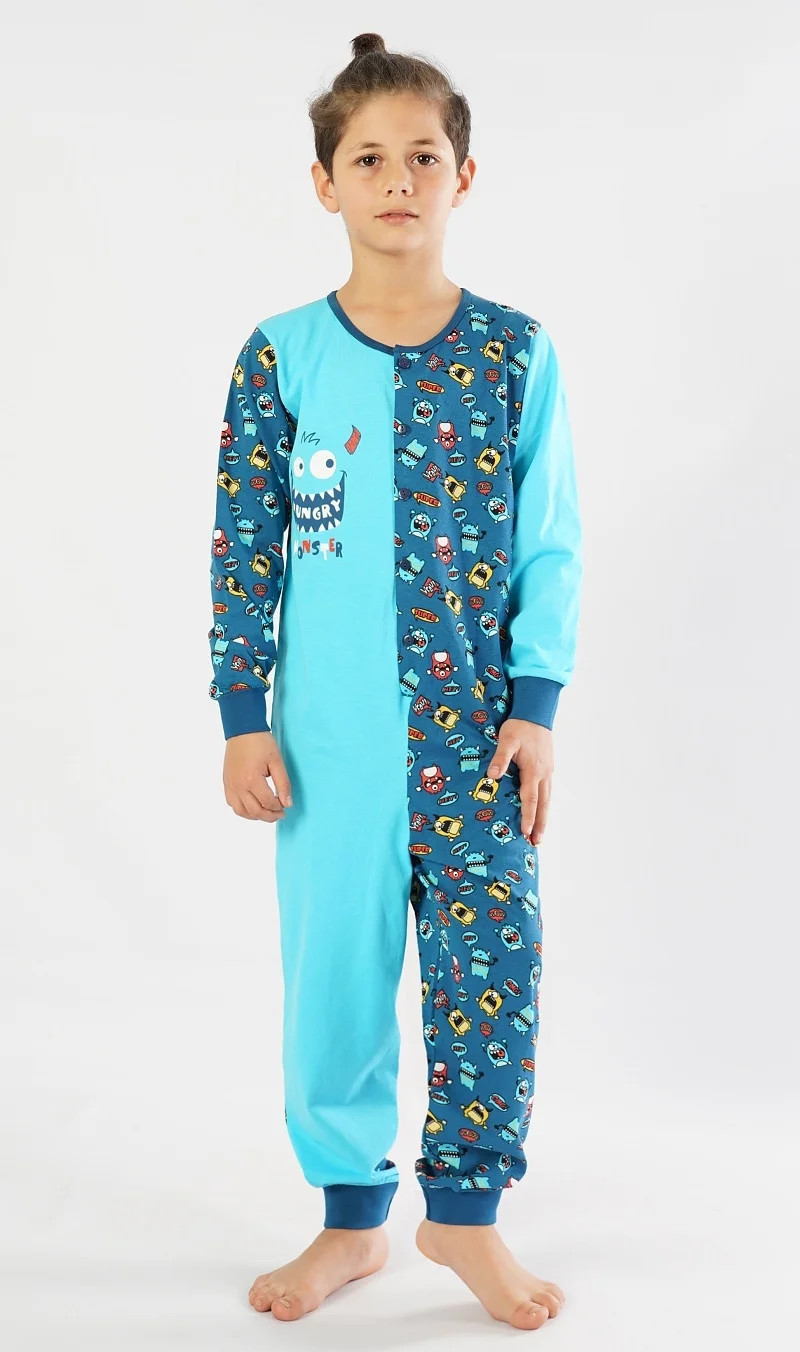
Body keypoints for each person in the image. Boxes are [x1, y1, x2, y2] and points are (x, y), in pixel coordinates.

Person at [207, 31, 582, 1331]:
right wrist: (243, 716)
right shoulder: (281, 357)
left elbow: (551, 542)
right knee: (336, 984)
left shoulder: (516, 353)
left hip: (478, 739)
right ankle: (351, 1220)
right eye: (367, 159)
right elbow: (246, 547)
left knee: (492, 969)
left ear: (464, 176)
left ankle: (464, 1218)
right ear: (325, 183)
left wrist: (536, 707)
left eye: (423, 157)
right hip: (327, 743)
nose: (397, 181)